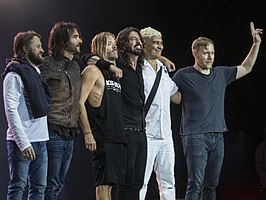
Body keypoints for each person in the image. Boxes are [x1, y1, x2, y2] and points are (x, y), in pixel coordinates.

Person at [172, 22, 263, 200]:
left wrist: (256, 44)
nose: (210, 56)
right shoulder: (183, 75)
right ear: (195, 53)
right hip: (195, 136)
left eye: (212, 52)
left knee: (211, 185)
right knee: (195, 184)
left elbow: (247, 68)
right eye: (206, 52)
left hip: (218, 135)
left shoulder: (221, 73)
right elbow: (171, 96)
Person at [2, 30, 52, 199]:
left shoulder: (35, 72)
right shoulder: (14, 74)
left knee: (39, 188)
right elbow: (11, 110)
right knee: (18, 187)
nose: (42, 50)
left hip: (40, 141)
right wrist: (23, 143)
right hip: (22, 142)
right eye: (37, 46)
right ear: (25, 49)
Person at [79, 32, 126, 200]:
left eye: (114, 43)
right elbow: (79, 102)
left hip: (117, 136)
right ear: (99, 48)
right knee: (103, 185)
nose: (114, 46)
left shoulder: (114, 73)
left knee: (111, 185)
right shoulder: (92, 70)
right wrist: (87, 133)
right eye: (109, 43)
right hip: (102, 135)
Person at [38, 21, 83, 200]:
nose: (80, 40)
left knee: (58, 184)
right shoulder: (47, 64)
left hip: (70, 132)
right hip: (52, 129)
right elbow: (32, 92)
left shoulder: (75, 67)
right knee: (50, 183)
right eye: (75, 37)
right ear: (63, 40)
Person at [139, 27, 181, 200]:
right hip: (147, 134)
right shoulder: (137, 68)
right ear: (144, 45)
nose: (160, 46)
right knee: (141, 182)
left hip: (166, 135)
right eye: (155, 43)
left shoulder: (163, 69)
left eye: (161, 43)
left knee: (168, 182)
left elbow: (176, 97)